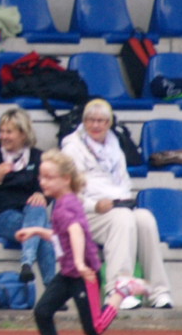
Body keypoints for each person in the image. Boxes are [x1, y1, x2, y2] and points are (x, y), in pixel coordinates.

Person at [17, 151, 142, 335]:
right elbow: (61, 236)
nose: (43, 182)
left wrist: (79, 262)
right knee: (42, 311)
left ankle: (122, 291)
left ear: (66, 179)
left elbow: (75, 232)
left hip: (84, 274)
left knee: (94, 328)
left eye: (49, 177)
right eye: (41, 177)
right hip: (68, 273)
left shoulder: (67, 206)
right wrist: (37, 231)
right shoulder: (63, 202)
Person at [61, 98, 174, 310]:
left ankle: (158, 291)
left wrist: (124, 201)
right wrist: (95, 206)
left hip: (116, 207)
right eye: (91, 120)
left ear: (109, 123)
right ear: (84, 122)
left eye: (101, 121)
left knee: (145, 219)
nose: (96, 125)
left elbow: (124, 183)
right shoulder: (72, 148)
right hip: (85, 213)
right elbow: (69, 195)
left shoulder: (115, 146)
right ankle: (117, 291)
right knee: (122, 219)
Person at [0, 108, 56, 287]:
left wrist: (42, 194)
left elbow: (51, 187)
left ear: (23, 134)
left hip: (30, 213)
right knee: (42, 229)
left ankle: (27, 264)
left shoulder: (37, 158)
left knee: (38, 210)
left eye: (9, 132)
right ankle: (51, 286)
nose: (4, 136)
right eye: (1, 131)